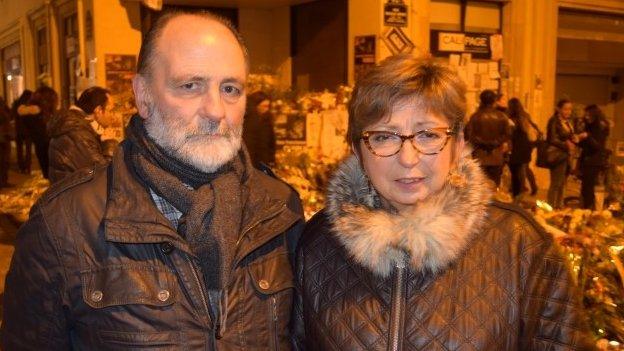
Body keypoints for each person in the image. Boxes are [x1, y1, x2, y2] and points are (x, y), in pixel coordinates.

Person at [1, 10, 304, 350]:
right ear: (143, 95)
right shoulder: (63, 225)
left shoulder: (281, 209)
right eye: (191, 85)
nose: (217, 111)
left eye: (231, 88)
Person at [292, 55, 593, 350]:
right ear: (358, 149)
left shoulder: (521, 246)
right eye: (384, 137)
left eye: (427, 135)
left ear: (458, 143)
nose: (408, 159)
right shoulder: (319, 243)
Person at [47, 86, 115, 183]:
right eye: (111, 110)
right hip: (73, 195)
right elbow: (104, 175)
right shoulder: (79, 133)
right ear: (99, 110)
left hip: (71, 192)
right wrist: (109, 144)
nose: (113, 116)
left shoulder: (78, 126)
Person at [465, 90, 511, 187]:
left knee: (479, 186)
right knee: (494, 185)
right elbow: (507, 134)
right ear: (494, 100)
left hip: (480, 155)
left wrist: (483, 143)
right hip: (496, 155)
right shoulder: (502, 116)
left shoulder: (475, 116)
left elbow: (469, 135)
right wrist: (495, 143)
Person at [546, 99, 587, 209]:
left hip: (567, 156)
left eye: (570, 109)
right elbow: (551, 138)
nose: (568, 112)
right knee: (556, 183)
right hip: (557, 155)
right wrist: (566, 144)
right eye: (565, 109)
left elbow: (570, 136)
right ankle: (550, 207)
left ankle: (559, 206)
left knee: (563, 183)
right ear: (558, 109)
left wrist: (576, 138)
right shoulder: (554, 121)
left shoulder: (569, 122)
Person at [19, 86, 58, 179]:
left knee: (49, 175)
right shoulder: (41, 114)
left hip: (40, 146)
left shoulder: (30, 113)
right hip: (49, 147)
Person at [578, 104, 610, 209]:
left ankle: (589, 210)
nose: (586, 117)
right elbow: (586, 145)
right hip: (588, 161)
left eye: (588, 114)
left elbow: (597, 146)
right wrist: (578, 141)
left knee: (589, 189)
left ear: (594, 114)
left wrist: (587, 136)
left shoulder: (600, 127)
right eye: (585, 114)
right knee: (585, 188)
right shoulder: (589, 126)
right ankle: (587, 209)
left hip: (594, 162)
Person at [507, 97, 540, 198]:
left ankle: (518, 193)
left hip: (516, 147)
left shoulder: (511, 119)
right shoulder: (525, 116)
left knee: (517, 171)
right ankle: (529, 189)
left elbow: (510, 134)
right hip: (526, 146)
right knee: (523, 168)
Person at [242, 90, 276, 168]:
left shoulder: (266, 120)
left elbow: (270, 143)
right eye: (264, 106)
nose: (266, 109)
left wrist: (270, 160)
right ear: (255, 106)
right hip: (251, 164)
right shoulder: (247, 121)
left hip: (262, 163)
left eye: (268, 106)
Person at [12, 89, 33, 174]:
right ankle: (28, 167)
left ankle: (21, 166)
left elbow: (12, 114)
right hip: (28, 130)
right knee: (28, 149)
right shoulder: (29, 104)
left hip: (18, 130)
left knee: (19, 149)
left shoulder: (16, 103)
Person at [0, 97, 11, 188]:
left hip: (4, 137)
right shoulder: (2, 112)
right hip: (3, 138)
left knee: (4, 161)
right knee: (4, 161)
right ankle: (3, 182)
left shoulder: (4, 110)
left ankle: (3, 181)